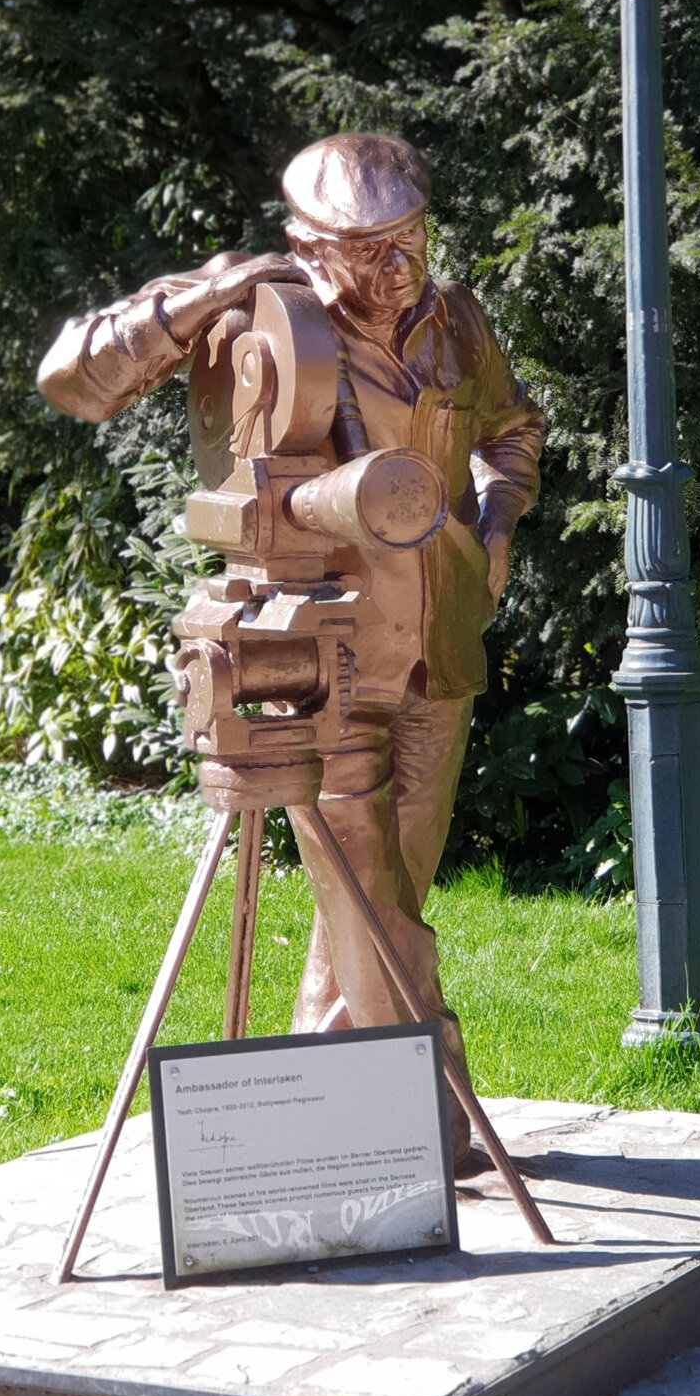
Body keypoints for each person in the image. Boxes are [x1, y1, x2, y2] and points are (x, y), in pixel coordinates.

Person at [37, 132, 545, 1162]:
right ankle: (434, 1111)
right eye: (371, 250)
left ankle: (334, 1095)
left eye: (410, 241)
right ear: (309, 244)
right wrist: (203, 294)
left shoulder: (454, 321)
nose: (400, 268)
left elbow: (513, 432)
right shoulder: (259, 312)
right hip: (320, 652)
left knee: (380, 886)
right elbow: (70, 378)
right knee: (364, 877)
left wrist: (494, 530)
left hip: (438, 646)